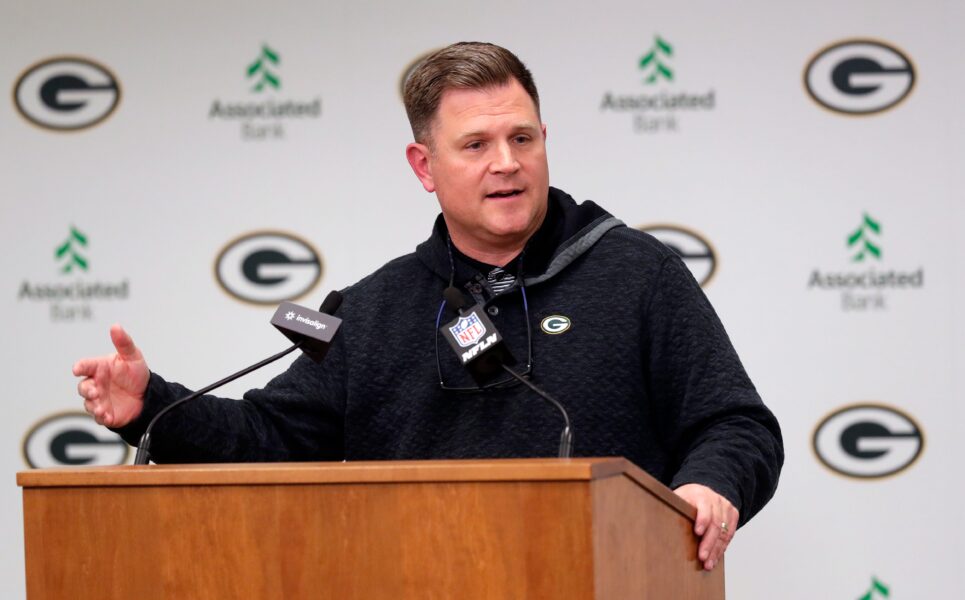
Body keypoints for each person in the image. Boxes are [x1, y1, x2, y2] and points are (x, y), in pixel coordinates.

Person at [74, 42, 782, 572]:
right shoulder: (375, 309)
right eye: (475, 144)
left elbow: (734, 425)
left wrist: (710, 484)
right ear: (423, 166)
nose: (505, 162)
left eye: (522, 138)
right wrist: (150, 406)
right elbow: (267, 437)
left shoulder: (637, 274)